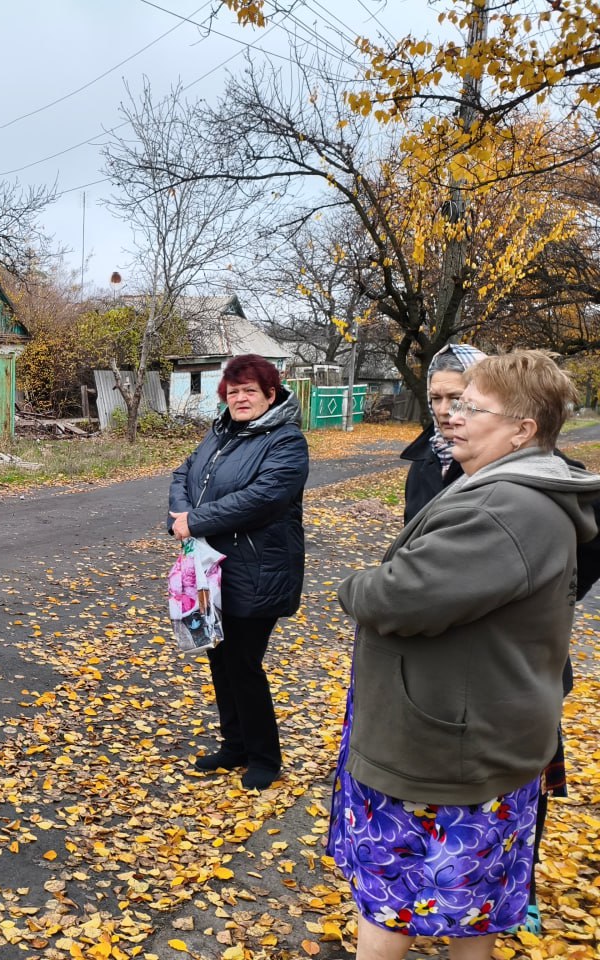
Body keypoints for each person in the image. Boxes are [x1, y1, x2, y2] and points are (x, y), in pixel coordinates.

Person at [332, 350, 600, 960]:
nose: (449, 415)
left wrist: (355, 584)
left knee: (392, 898)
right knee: (472, 906)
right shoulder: (502, 490)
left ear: (522, 429)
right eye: (448, 403)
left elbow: (400, 596)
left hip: (448, 749)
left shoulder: (506, 509)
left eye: (470, 406)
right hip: (468, 734)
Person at [167, 353, 309, 790]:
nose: (241, 398)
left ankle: (264, 757)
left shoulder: (286, 441)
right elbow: (184, 472)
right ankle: (235, 746)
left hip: (257, 569)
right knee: (219, 657)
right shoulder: (220, 433)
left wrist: (197, 520)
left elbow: (264, 498)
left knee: (244, 664)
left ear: (271, 395)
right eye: (234, 391)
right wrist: (180, 512)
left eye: (251, 391)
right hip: (210, 570)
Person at [400, 343, 487, 523]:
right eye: (436, 398)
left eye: (456, 398)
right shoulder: (424, 460)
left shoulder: (499, 460)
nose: (443, 410)